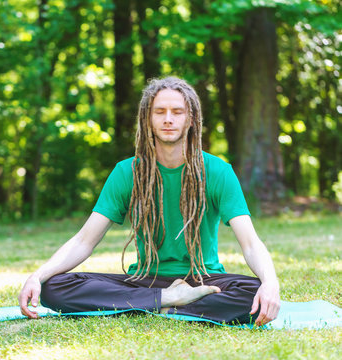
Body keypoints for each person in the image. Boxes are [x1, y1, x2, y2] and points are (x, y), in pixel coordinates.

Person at [18, 77, 280, 326]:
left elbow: (250, 243)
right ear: (148, 118)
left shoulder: (218, 171)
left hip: (203, 280)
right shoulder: (127, 172)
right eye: (160, 111)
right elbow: (84, 240)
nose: (168, 119)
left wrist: (271, 282)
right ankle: (167, 301)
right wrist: (38, 276)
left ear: (191, 119)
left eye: (177, 112)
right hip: (145, 280)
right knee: (54, 287)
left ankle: (151, 305)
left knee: (254, 292)